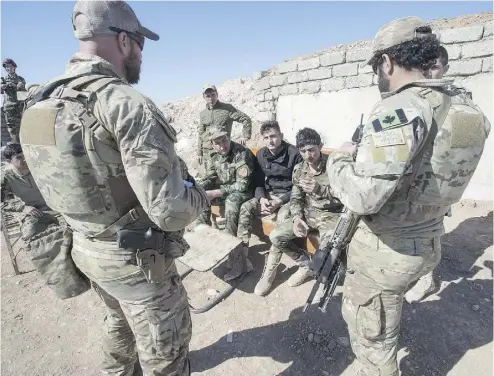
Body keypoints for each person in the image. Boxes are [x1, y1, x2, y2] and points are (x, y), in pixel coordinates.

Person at [19, 2, 208, 375]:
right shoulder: (125, 105)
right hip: (134, 263)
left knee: (119, 325)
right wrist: (198, 196)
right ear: (123, 41)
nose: (140, 53)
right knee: (165, 351)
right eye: (139, 44)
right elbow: (170, 211)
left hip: (85, 250)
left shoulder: (39, 102)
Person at [325, 17, 490, 375]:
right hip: (428, 240)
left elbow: (364, 197)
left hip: (387, 253)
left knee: (375, 347)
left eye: (376, 68)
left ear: (387, 62)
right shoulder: (465, 107)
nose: (378, 77)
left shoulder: (400, 108)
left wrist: (338, 160)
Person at [254, 128, 343, 296]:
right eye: (303, 151)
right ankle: (304, 264)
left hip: (331, 216)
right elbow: (296, 198)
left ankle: (316, 268)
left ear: (320, 146)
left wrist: (321, 190)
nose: (308, 155)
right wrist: (296, 218)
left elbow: (348, 196)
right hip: (308, 214)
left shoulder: (334, 166)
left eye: (311, 150)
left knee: (325, 258)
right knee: (276, 236)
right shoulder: (300, 169)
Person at [195, 127, 255, 281]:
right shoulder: (214, 155)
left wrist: (216, 192)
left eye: (224, 140)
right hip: (226, 190)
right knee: (201, 197)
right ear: (212, 144)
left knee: (231, 202)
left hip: (245, 192)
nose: (223, 145)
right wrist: (201, 188)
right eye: (218, 142)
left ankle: (236, 259)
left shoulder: (242, 153)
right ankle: (204, 242)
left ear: (229, 137)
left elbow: (242, 186)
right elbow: (211, 176)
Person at [237, 120, 302, 251]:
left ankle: (284, 252)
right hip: (269, 194)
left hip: (289, 197)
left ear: (281, 136)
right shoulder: (261, 154)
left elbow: (299, 186)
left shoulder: (294, 154)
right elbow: (258, 181)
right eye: (266, 138)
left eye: (273, 136)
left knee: (283, 217)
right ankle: (241, 253)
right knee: (245, 208)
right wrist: (262, 199)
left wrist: (279, 201)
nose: (270, 141)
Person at [1, 143, 62, 240]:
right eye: (19, 157)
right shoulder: (6, 177)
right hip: (35, 212)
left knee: (77, 229)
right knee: (30, 234)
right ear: (9, 161)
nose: (25, 158)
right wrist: (23, 207)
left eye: (26, 154)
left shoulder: (40, 166)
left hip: (57, 207)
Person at [197, 84, 252, 169]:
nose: (211, 98)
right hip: (209, 152)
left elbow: (245, 119)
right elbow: (201, 134)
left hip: (224, 150)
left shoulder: (227, 108)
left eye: (213, 95)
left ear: (217, 95)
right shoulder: (203, 114)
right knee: (211, 176)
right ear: (204, 97)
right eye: (208, 96)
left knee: (227, 174)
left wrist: (245, 136)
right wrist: (199, 153)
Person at [1, 58, 26, 144]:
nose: (8, 68)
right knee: (10, 125)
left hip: (19, 105)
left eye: (10, 66)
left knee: (21, 123)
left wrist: (19, 85)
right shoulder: (3, 79)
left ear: (14, 67)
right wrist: (4, 86)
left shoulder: (20, 79)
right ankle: (14, 141)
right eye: (6, 67)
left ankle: (21, 141)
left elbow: (23, 88)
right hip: (9, 106)